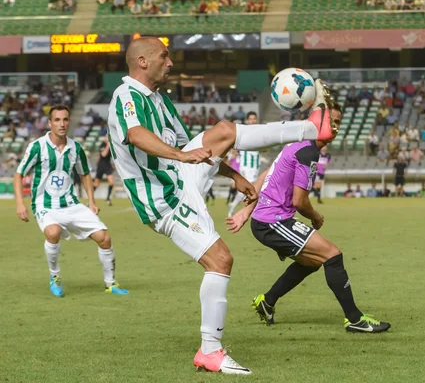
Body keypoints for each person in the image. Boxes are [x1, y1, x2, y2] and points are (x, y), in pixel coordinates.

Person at [106, 37, 337, 375]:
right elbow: (137, 134)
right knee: (221, 259)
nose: (170, 63)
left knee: (224, 130)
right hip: (163, 200)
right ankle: (209, 351)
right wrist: (182, 156)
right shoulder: (127, 96)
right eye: (164, 56)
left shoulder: (159, 99)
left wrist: (232, 175)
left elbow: (193, 146)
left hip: (181, 177)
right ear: (142, 61)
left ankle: (308, 129)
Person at [225, 106, 390, 334]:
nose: (336, 126)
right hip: (273, 221)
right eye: (332, 120)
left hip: (268, 219)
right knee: (333, 255)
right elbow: (299, 201)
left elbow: (267, 175)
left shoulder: (297, 144)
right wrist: (316, 216)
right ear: (316, 122)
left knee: (312, 262)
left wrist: (247, 211)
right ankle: (354, 319)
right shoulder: (308, 152)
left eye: (339, 122)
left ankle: (268, 300)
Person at [13, 105, 128, 298]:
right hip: (45, 204)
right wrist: (19, 204)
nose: (62, 124)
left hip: (71, 204)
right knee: (53, 231)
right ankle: (54, 277)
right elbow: (18, 174)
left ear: (69, 122)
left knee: (104, 238)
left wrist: (91, 201)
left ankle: (111, 283)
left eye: (65, 119)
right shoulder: (37, 147)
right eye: (57, 120)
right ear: (50, 123)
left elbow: (84, 174)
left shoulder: (75, 148)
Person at [228, 112, 261, 216]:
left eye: (254, 119)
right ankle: (252, 212)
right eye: (250, 119)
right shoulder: (244, 132)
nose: (252, 121)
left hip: (255, 165)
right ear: (248, 120)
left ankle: (233, 206)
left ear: (256, 120)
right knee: (253, 189)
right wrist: (234, 152)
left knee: (248, 190)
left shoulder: (260, 132)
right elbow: (236, 146)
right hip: (246, 166)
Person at [93, 134, 115, 206]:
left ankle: (108, 198)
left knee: (111, 182)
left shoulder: (111, 146)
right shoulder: (102, 145)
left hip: (107, 165)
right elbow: (103, 155)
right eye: (107, 137)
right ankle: (91, 198)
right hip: (101, 166)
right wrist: (108, 145)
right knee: (96, 184)